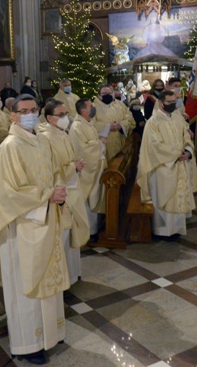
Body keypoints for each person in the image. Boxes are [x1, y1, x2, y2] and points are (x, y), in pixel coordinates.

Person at [0, 94, 68, 365]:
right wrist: (47, 196)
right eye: (23, 111)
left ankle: (50, 335)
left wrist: (56, 191)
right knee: (26, 287)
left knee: (45, 283)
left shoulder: (39, 141)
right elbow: (7, 195)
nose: (29, 114)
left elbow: (50, 175)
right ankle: (28, 344)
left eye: (33, 110)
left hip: (43, 222)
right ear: (13, 115)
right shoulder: (10, 147)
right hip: (21, 229)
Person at [136, 90, 197, 238]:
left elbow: (187, 137)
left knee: (177, 197)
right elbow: (154, 146)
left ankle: (176, 230)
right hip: (162, 167)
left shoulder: (178, 119)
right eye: (169, 102)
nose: (172, 105)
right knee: (164, 198)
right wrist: (177, 154)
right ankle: (162, 231)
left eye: (174, 102)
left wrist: (188, 152)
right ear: (160, 102)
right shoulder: (153, 122)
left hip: (180, 164)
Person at [40, 99, 89, 285]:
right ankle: (62, 280)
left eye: (66, 114)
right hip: (61, 192)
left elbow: (68, 158)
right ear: (50, 118)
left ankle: (72, 275)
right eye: (61, 115)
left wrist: (76, 164)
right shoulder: (45, 138)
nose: (65, 118)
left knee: (71, 236)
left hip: (72, 188)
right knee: (63, 236)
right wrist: (72, 167)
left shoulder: (62, 133)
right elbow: (50, 168)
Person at [70, 99, 107, 235]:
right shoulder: (77, 127)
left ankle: (95, 228)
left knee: (94, 197)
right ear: (83, 110)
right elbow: (82, 150)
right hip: (87, 170)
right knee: (87, 200)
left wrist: (96, 142)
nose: (94, 107)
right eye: (91, 106)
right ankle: (88, 232)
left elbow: (92, 142)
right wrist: (99, 143)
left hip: (96, 167)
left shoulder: (87, 123)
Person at [92, 84, 135, 162]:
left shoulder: (117, 105)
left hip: (119, 142)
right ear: (99, 96)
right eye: (104, 94)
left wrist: (121, 125)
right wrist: (108, 127)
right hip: (105, 146)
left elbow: (128, 118)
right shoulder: (93, 107)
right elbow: (91, 124)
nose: (107, 95)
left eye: (109, 93)